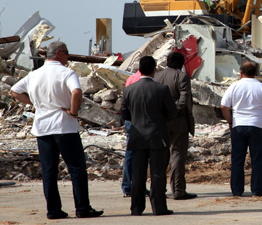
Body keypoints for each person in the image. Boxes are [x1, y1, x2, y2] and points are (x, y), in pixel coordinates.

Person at [10, 41, 104, 219]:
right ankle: (82, 207)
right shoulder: (66, 72)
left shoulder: (34, 74)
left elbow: (14, 91)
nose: (68, 57)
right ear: (59, 53)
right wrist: (73, 112)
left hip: (43, 127)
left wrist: (35, 103)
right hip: (64, 125)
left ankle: (53, 210)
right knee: (76, 168)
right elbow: (76, 92)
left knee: (49, 171)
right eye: (67, 53)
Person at [122, 56, 177, 216]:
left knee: (138, 174)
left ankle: (137, 208)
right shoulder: (162, 89)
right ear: (154, 69)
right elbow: (172, 112)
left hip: (137, 136)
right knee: (157, 173)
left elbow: (125, 114)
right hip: (157, 136)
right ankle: (159, 207)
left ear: (139, 69)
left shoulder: (129, 90)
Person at [220, 62, 262, 197]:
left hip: (238, 126)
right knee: (257, 160)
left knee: (237, 159)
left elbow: (224, 106)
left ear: (241, 73)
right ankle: (257, 191)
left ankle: (237, 191)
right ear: (255, 73)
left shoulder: (234, 86)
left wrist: (230, 122)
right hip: (257, 126)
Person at [154, 51, 197, 200]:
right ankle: (178, 190)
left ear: (167, 62)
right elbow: (184, 99)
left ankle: (158, 189)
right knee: (177, 155)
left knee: (161, 157)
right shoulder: (182, 77)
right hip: (178, 122)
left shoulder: (157, 76)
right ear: (181, 64)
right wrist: (173, 111)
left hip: (160, 123)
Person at [121, 70, 141, 198]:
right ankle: (137, 185)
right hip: (139, 121)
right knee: (141, 155)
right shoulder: (144, 81)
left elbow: (124, 104)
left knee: (129, 153)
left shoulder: (131, 79)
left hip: (130, 120)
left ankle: (127, 186)